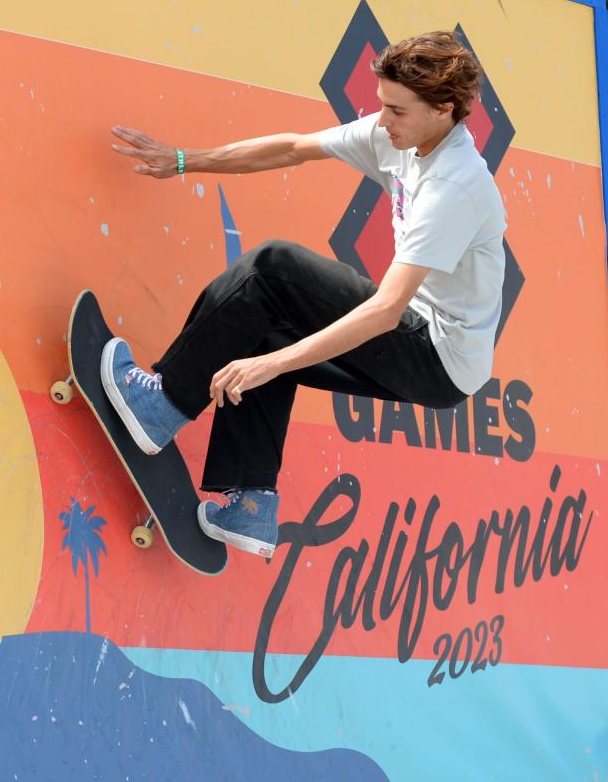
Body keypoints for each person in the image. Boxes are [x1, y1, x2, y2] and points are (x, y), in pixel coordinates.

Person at [102, 31, 505, 560]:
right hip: (431, 348)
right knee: (266, 330)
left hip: (434, 353)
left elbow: (385, 311)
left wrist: (269, 366)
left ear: (443, 111)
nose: (382, 121)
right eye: (382, 105)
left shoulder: (454, 185)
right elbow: (292, 148)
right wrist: (183, 160)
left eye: (396, 111)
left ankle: (163, 402)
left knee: (273, 269)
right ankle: (250, 502)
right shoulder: (400, 136)